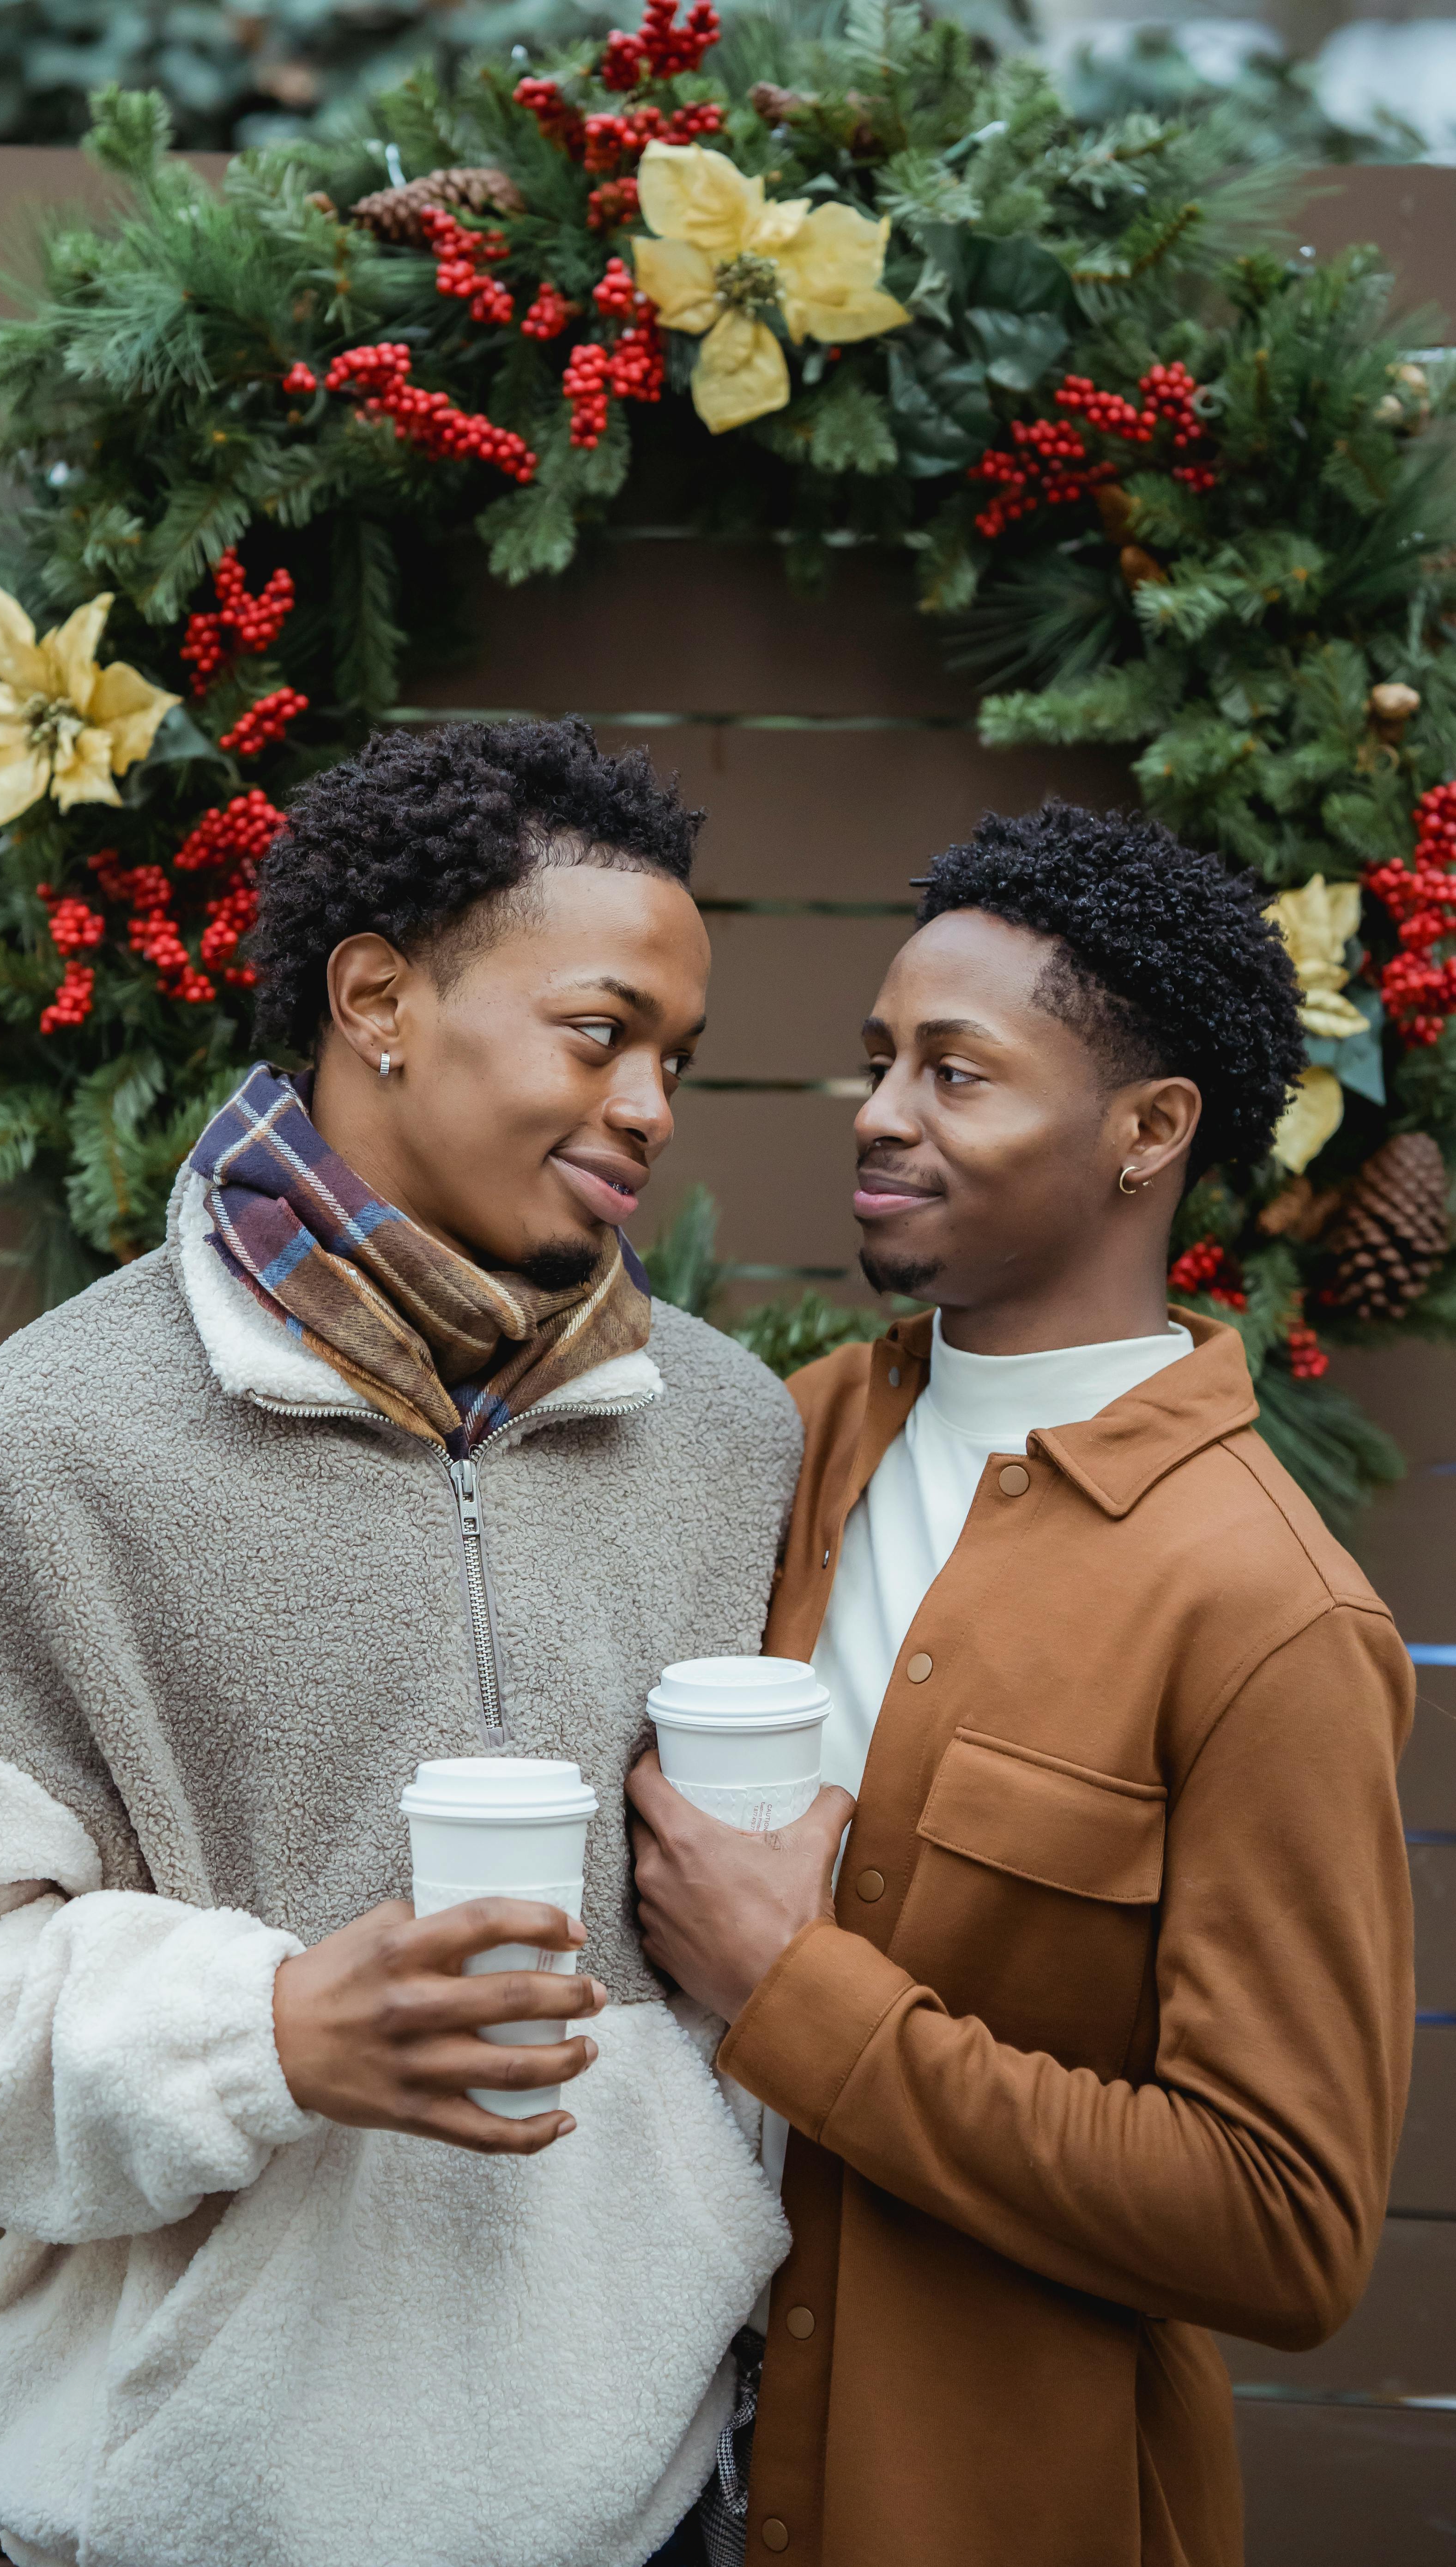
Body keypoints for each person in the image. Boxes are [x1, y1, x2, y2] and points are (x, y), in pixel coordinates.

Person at [0, 717, 802, 2567]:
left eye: (677, 1057)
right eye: (600, 1031)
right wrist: (261, 2028)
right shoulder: (56, 1437)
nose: (651, 1103)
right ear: (382, 997)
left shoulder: (730, 1437)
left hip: (652, 2509)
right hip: (199, 2515)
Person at [627, 801, 1416, 2567]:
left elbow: (1285, 2228)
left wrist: (792, 1988)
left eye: (956, 1075)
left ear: (1146, 1132)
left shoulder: (1265, 1614)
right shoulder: (785, 1441)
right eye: (878, 1062)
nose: (882, 1115)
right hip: (649, 2495)